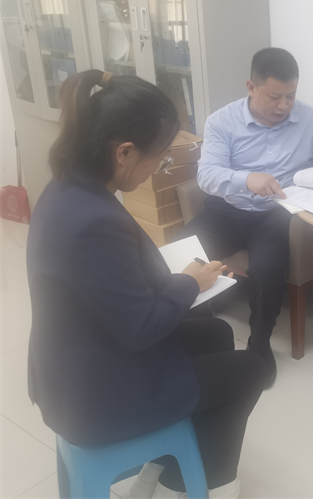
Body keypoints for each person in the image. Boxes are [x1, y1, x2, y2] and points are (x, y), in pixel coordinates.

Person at [27, 70, 269, 499]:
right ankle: (199, 482)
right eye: (160, 157)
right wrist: (187, 283)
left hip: (82, 357)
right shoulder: (92, 221)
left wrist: (182, 280)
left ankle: (164, 461)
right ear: (124, 152)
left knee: (217, 332)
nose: (159, 167)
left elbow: (107, 284)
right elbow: (140, 329)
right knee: (252, 369)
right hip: (95, 394)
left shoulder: (70, 188)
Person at [179, 48, 313, 385]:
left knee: (266, 268)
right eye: (274, 97)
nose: (284, 106)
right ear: (251, 87)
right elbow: (207, 175)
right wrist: (246, 178)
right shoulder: (222, 121)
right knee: (180, 254)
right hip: (227, 210)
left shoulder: (311, 119)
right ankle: (201, 329)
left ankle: (259, 344)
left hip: (276, 213)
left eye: (291, 96)